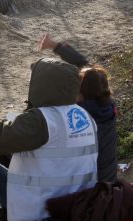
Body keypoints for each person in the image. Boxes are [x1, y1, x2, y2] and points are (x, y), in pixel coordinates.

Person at [0, 56, 98, 221]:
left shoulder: (41, 119)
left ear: (43, 84)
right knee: (5, 158)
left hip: (39, 207)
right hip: (76, 205)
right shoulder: (84, 115)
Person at [39, 33, 117, 183]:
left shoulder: (76, 117)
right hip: (109, 180)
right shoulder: (108, 105)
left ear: (80, 93)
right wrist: (55, 46)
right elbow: (86, 67)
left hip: (90, 189)